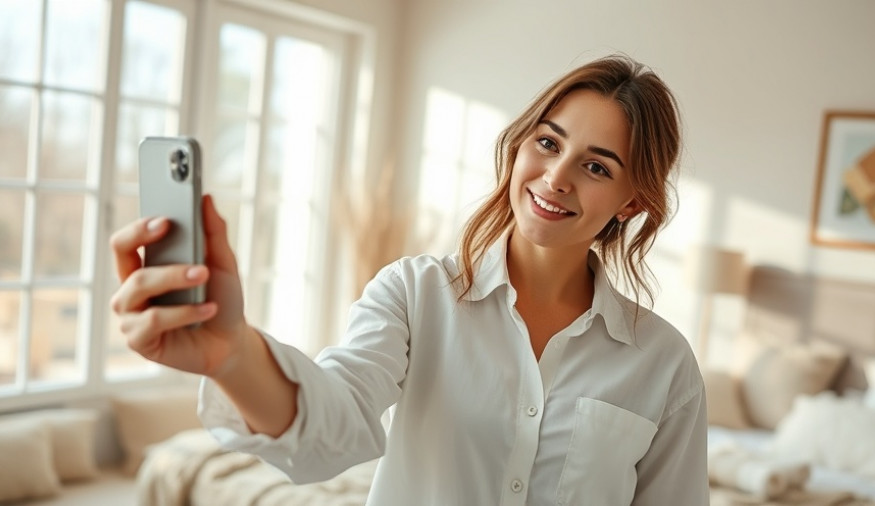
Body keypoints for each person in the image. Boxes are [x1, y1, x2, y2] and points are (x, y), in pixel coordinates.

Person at [110, 53, 708, 505]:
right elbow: (332, 429)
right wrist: (232, 354)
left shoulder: (664, 366)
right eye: (547, 142)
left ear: (632, 203)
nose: (555, 177)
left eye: (596, 166)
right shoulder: (414, 294)